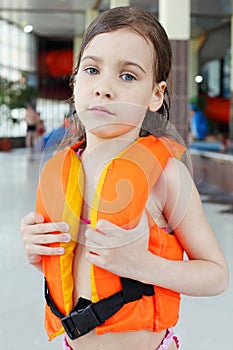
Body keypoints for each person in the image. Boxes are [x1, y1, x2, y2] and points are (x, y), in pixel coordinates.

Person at [20, 7, 229, 350]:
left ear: (156, 95)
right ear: (75, 82)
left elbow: (216, 275)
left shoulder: (165, 176)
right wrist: (37, 252)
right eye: (92, 70)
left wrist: (143, 265)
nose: (104, 88)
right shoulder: (60, 169)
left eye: (128, 76)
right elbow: (73, 271)